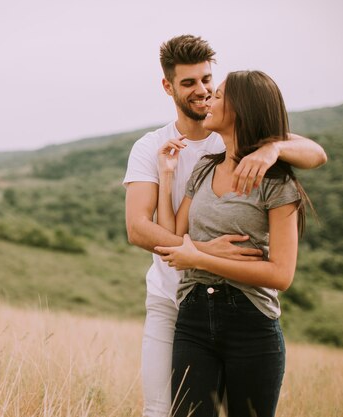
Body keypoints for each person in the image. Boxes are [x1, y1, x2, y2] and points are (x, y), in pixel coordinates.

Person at [122, 35, 327, 417]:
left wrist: (274, 148)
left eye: (209, 83)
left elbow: (318, 154)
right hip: (178, 301)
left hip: (245, 309)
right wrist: (199, 250)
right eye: (189, 84)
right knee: (159, 409)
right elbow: (138, 228)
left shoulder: (263, 166)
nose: (203, 92)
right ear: (168, 87)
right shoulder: (160, 149)